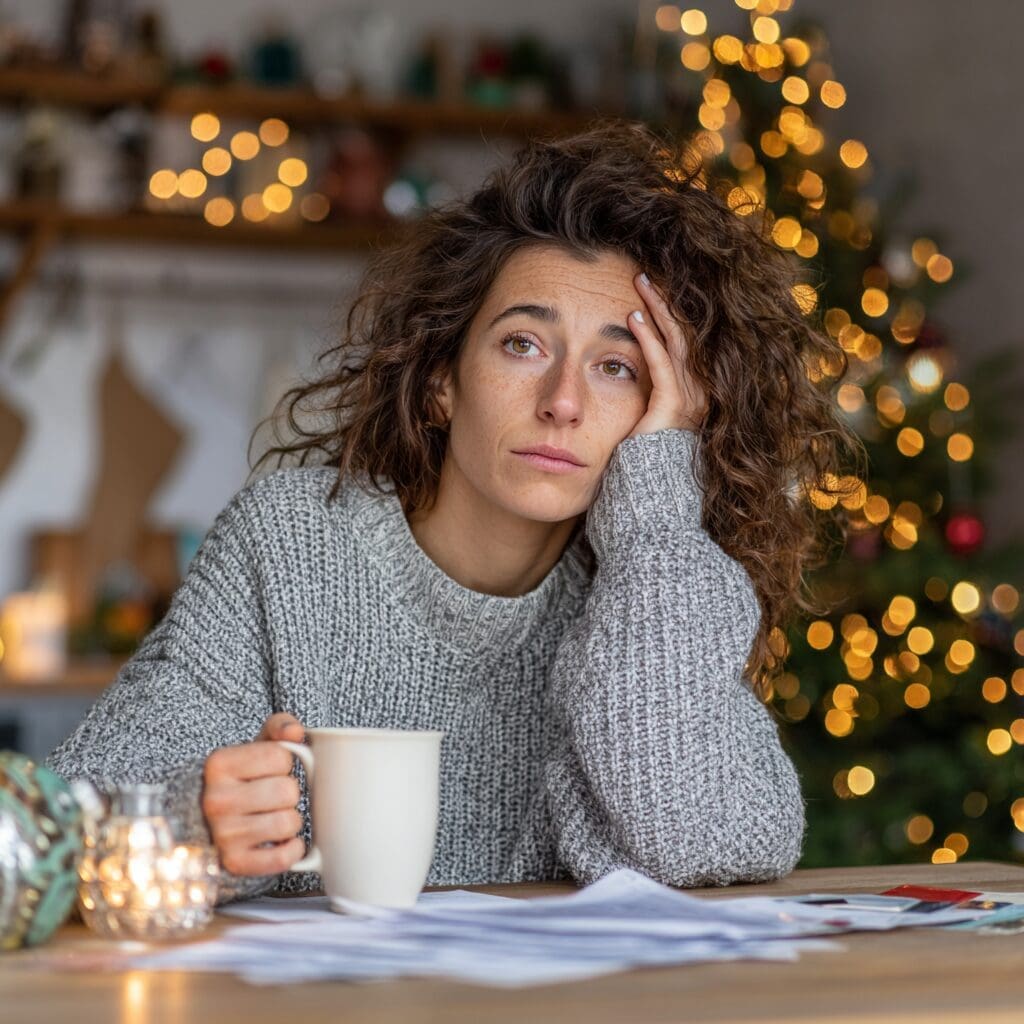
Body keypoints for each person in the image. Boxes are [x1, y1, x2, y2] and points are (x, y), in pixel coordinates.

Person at [45, 120, 864, 905]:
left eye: (618, 367)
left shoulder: (651, 594)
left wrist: (654, 514)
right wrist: (196, 825)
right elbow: (57, 828)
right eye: (522, 344)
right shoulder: (290, 545)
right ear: (441, 380)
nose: (564, 402)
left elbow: (711, 840)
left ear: (668, 413)